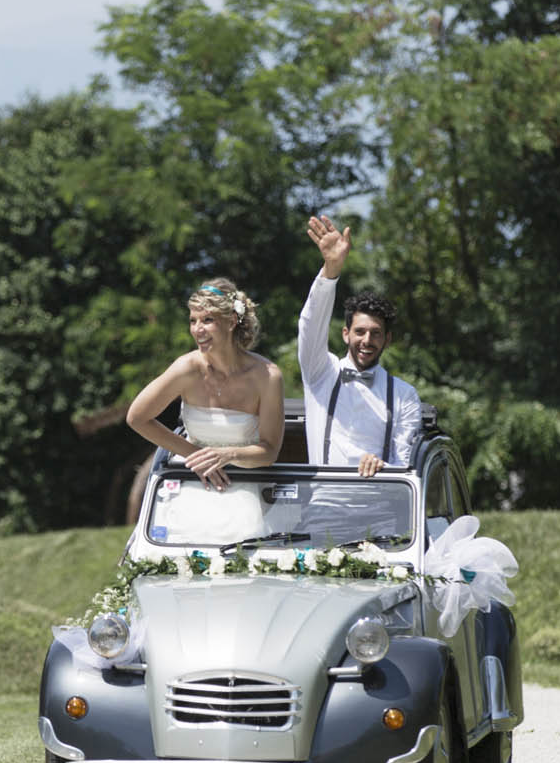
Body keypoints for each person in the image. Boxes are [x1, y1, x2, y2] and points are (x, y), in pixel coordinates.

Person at [126, 278, 287, 545]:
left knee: (243, 534)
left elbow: (269, 451)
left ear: (231, 321)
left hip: (243, 483)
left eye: (207, 320)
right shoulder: (186, 368)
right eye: (193, 320)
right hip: (190, 479)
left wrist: (228, 455)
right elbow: (137, 417)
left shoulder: (267, 376)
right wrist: (195, 456)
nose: (197, 329)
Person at [300, 214, 423, 475]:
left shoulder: (404, 395)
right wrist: (331, 270)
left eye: (376, 333)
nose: (367, 341)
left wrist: (384, 467)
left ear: (387, 339)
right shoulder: (321, 373)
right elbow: (310, 325)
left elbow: (404, 465)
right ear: (346, 334)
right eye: (360, 332)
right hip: (325, 503)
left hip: (380, 505)